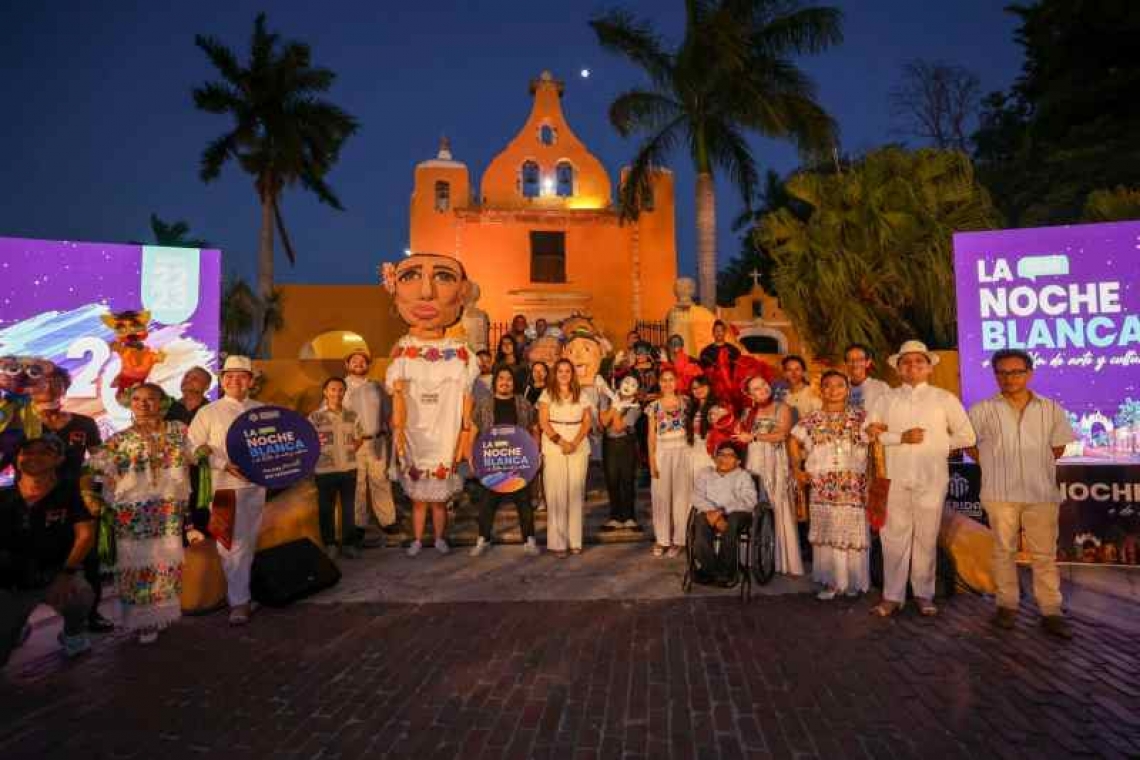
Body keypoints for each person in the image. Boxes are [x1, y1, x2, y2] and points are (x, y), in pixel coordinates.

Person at [966, 349, 1076, 638]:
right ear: (995, 376)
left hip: (1040, 492)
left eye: (1015, 372)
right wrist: (994, 464)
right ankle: (1007, 606)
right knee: (1004, 551)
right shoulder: (981, 410)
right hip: (1000, 492)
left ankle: (1051, 611)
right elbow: (969, 444)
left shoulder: (1051, 408)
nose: (1009, 378)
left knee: (1044, 555)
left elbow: (1059, 447)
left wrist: (1032, 466)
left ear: (1029, 373)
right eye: (1002, 372)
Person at [865, 340, 975, 617]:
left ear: (928, 368)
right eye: (907, 362)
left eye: (919, 362)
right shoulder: (885, 399)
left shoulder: (944, 398)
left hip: (931, 478)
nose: (913, 366)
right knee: (892, 537)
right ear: (898, 369)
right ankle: (892, 596)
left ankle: (924, 594)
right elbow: (868, 433)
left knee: (926, 537)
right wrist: (899, 438)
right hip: (893, 477)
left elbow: (967, 436)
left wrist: (932, 444)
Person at [383, 253, 480, 558]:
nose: (427, 292)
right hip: (415, 436)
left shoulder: (460, 353)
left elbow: (467, 399)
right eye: (410, 277)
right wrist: (398, 430)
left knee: (439, 499)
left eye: (443, 277)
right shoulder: (404, 351)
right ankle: (416, 539)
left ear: (462, 291)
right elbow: (396, 396)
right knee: (418, 499)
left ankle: (439, 538)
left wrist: (465, 432)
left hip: (444, 436)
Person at [89, 384, 202, 644]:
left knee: (164, 564)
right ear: (130, 404)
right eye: (137, 399)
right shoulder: (119, 439)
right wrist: (99, 477)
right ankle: (139, 620)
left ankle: (160, 616)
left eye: (150, 399)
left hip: (167, 510)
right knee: (135, 567)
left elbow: (196, 454)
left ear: (162, 403)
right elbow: (98, 470)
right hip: (132, 513)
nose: (143, 404)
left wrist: (207, 454)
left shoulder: (178, 430)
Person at [31, 366, 112, 633]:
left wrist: (94, 491)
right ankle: (20, 619)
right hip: (36, 502)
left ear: (65, 388)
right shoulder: (22, 424)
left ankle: (91, 615)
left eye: (57, 382)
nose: (50, 388)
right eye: (43, 383)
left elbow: (101, 461)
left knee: (87, 560)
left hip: (78, 500)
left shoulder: (84, 423)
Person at [1, 436, 96, 665]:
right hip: (9, 583)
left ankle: (73, 633)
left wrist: (66, 575)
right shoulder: (3, 496)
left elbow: (86, 535)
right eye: (27, 452)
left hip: (55, 575)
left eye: (44, 452)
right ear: (17, 458)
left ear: (59, 459)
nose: (34, 456)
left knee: (80, 594)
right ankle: (16, 627)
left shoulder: (69, 494)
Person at [187, 355, 265, 625]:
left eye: (241, 376)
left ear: (251, 381)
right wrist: (222, 463)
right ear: (222, 380)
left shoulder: (261, 409)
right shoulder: (209, 412)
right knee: (229, 544)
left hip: (255, 487)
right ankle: (239, 603)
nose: (234, 381)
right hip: (222, 488)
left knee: (249, 542)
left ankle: (240, 594)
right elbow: (192, 448)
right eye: (229, 376)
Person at [789, 371, 870, 600]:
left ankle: (853, 581)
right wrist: (797, 469)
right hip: (822, 484)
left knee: (851, 532)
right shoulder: (812, 418)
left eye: (839, 385)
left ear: (847, 390)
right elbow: (793, 440)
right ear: (821, 390)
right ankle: (833, 582)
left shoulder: (861, 417)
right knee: (828, 531)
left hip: (852, 484)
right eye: (827, 386)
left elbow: (875, 444)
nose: (833, 390)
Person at [736, 375, 803, 576]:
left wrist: (754, 436)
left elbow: (783, 434)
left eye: (764, 384)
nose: (763, 389)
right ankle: (753, 559)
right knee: (755, 503)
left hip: (774, 461)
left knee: (778, 503)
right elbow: (740, 436)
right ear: (749, 394)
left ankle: (783, 560)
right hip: (753, 461)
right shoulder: (748, 412)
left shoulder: (782, 408)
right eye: (756, 388)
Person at [469, 367, 540, 557]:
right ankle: (483, 539)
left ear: (513, 383)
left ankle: (529, 539)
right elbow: (473, 431)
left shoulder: (523, 403)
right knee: (486, 504)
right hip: (491, 464)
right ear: (495, 382)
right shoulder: (484, 404)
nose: (505, 382)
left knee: (524, 503)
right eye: (501, 378)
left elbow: (534, 428)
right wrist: (470, 455)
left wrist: (536, 452)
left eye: (509, 379)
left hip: (519, 463)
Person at [537, 358, 593, 557]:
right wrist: (561, 442)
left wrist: (575, 442)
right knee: (556, 493)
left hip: (578, 445)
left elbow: (587, 421)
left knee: (575, 493)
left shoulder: (581, 394)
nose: (563, 374)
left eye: (567, 370)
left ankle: (575, 541)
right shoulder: (547, 394)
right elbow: (543, 422)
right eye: (560, 370)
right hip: (554, 446)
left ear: (572, 373)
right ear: (555, 373)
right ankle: (558, 543)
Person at [342, 348, 398, 542]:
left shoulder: (377, 387)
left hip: (377, 440)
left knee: (380, 481)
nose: (359, 363)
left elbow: (388, 412)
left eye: (363, 361)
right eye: (354, 360)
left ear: (368, 365)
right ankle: (359, 524)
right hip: (353, 444)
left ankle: (387, 521)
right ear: (347, 365)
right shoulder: (340, 387)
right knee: (357, 484)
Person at [309, 377, 365, 560]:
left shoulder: (352, 415)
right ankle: (330, 544)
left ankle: (348, 544)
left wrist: (346, 453)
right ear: (325, 392)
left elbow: (358, 439)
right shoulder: (314, 417)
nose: (337, 393)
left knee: (349, 508)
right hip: (325, 471)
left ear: (344, 392)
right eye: (332, 389)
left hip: (349, 469)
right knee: (326, 509)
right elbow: (308, 443)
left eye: (340, 390)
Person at [691, 441, 757, 585]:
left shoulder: (743, 476)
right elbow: (696, 496)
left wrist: (722, 511)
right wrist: (712, 512)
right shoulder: (705, 473)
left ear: (738, 461)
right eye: (721, 454)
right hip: (710, 513)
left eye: (729, 455)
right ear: (715, 457)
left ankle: (726, 571)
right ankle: (711, 569)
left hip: (737, 514)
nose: (724, 458)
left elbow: (749, 501)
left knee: (732, 521)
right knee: (700, 521)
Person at [646, 368, 691, 558]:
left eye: (671, 379)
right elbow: (651, 436)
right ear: (659, 382)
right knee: (661, 497)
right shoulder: (654, 406)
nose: (667, 383)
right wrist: (652, 461)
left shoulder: (686, 402)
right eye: (663, 380)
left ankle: (679, 540)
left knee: (682, 497)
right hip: (663, 451)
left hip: (683, 450)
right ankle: (662, 539)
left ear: (677, 381)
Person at [166, 365, 213, 533]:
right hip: (170, 473)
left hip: (200, 474)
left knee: (199, 523)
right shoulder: (166, 408)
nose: (187, 381)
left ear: (206, 386)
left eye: (194, 379)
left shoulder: (213, 411)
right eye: (186, 376)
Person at [599, 375, 643, 532]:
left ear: (636, 389)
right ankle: (615, 517)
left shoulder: (636, 406)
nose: (628, 386)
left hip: (626, 443)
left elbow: (618, 426)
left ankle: (630, 517)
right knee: (612, 479)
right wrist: (615, 404)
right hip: (609, 444)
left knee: (627, 479)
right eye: (626, 382)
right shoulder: (607, 396)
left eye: (633, 385)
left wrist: (617, 408)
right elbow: (604, 422)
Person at [772, 355, 821, 423]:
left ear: (804, 372)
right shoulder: (782, 394)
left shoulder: (813, 392)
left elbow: (819, 419)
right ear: (784, 374)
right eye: (789, 370)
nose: (793, 373)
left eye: (797, 369)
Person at [843, 345, 889, 413]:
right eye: (850, 360)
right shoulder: (838, 387)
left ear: (868, 362)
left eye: (860, 359)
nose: (855, 363)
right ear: (845, 363)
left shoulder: (881, 387)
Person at [688, 376, 719, 476]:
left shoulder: (717, 407)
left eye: (702, 386)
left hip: (710, 451)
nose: (698, 390)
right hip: (694, 449)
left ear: (709, 387)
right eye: (695, 388)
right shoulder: (692, 408)